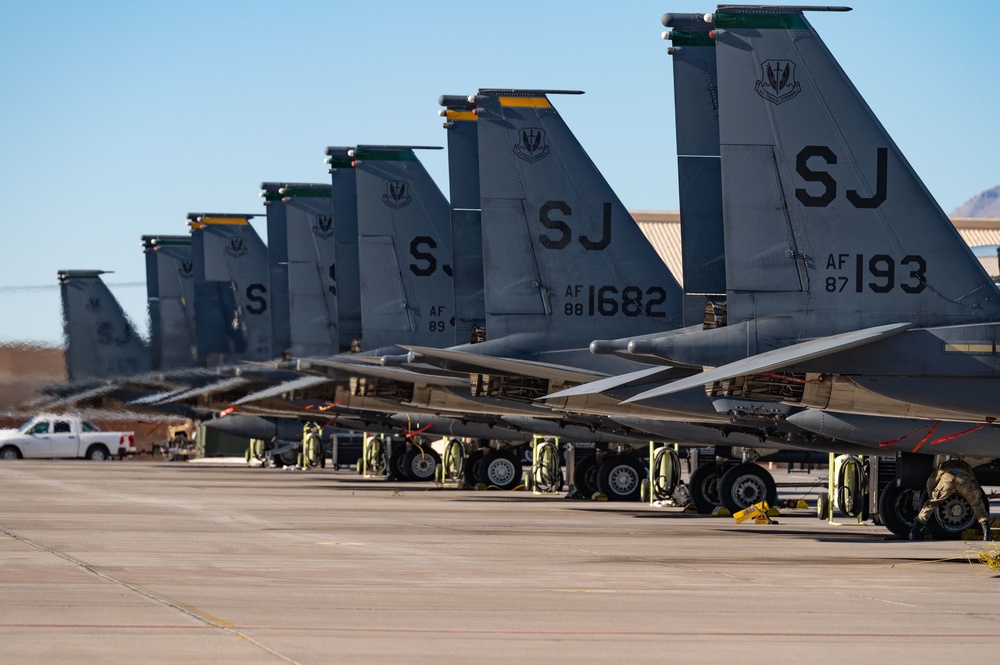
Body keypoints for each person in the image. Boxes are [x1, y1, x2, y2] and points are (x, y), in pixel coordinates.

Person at [910, 458, 992, 541]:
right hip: (964, 480)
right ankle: (987, 533)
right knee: (977, 505)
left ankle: (914, 532)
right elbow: (974, 481)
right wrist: (976, 496)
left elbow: (931, 481)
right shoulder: (965, 465)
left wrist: (932, 496)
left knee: (931, 505)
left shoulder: (942, 466)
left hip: (947, 479)